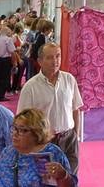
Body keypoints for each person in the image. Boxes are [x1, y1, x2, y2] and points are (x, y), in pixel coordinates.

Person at [17, 43, 84, 178]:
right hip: (44, 141)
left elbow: (75, 109)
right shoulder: (30, 87)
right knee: (48, 182)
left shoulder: (69, 79)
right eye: (49, 57)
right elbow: (22, 120)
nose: (55, 61)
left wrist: (76, 135)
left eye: (58, 56)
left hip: (68, 138)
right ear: (40, 61)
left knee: (71, 180)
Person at [0, 25, 15, 102]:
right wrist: (14, 63)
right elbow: (12, 51)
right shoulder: (8, 40)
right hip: (5, 60)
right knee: (5, 78)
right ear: (7, 32)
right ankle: (1, 95)